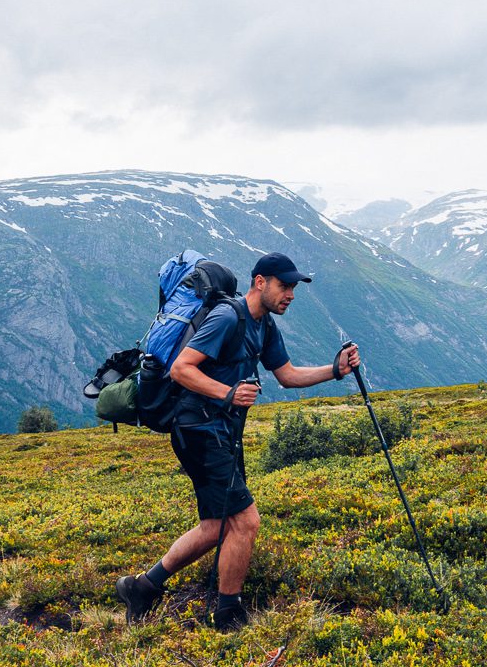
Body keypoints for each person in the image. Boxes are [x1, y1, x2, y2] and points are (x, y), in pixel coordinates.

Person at [115, 252, 359, 631]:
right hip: (197, 428)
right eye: (284, 285)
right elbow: (181, 369)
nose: (290, 294)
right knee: (245, 522)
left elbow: (288, 375)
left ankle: (142, 587)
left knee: (217, 526)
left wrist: (335, 370)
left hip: (221, 432)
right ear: (260, 282)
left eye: (293, 287)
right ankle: (228, 615)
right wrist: (227, 393)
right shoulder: (228, 317)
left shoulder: (264, 326)